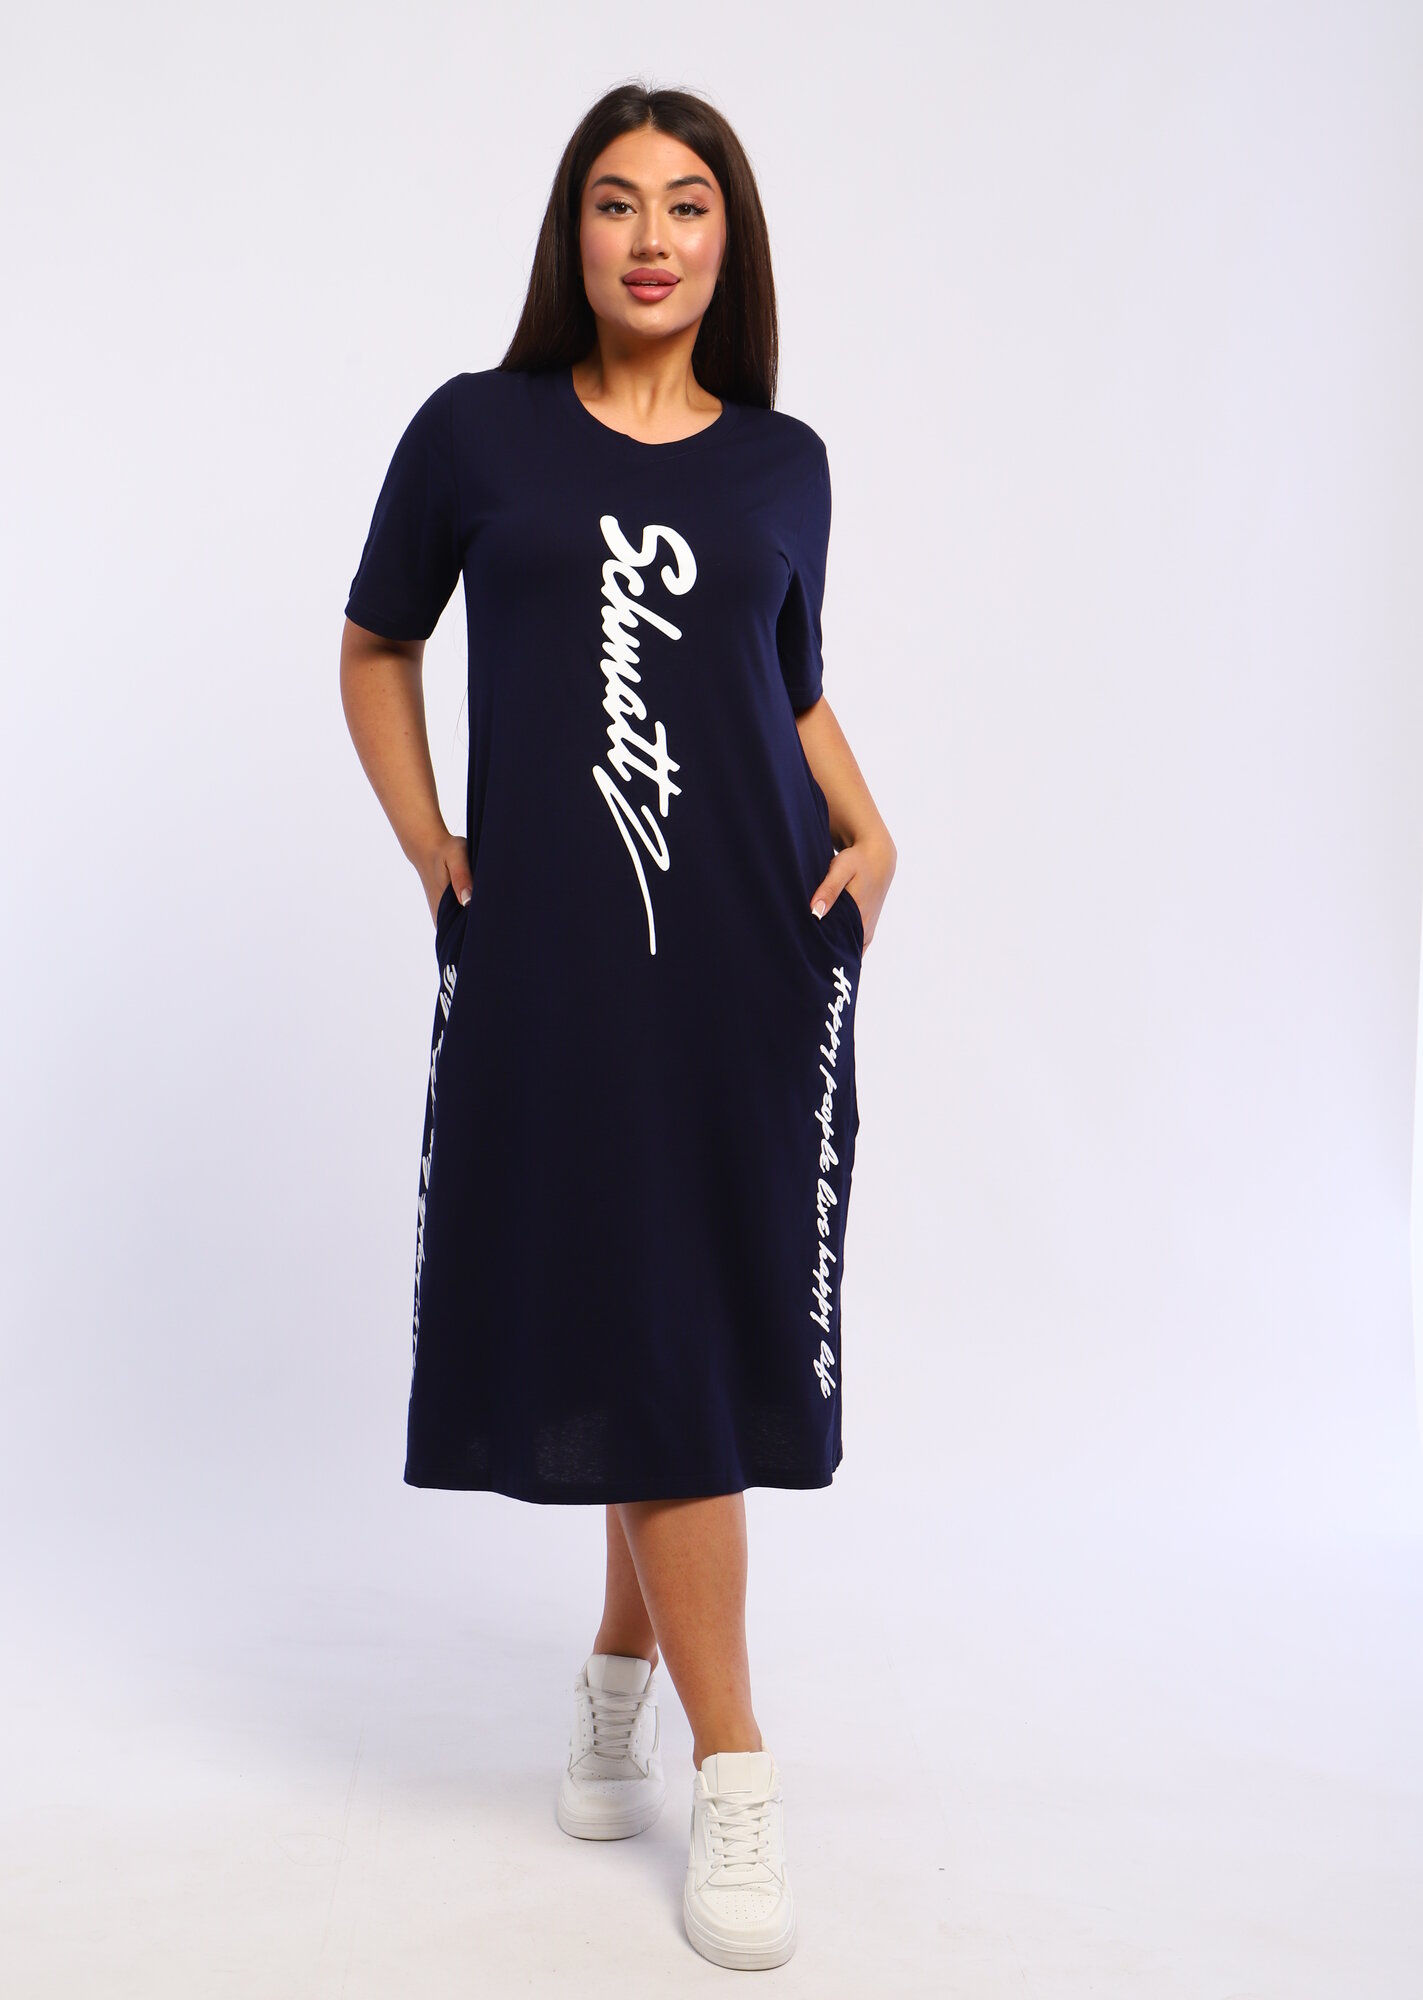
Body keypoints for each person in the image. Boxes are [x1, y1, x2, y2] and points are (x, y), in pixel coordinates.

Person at [339, 80, 897, 1972]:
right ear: (570, 234)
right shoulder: (476, 433)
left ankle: (640, 1707)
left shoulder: (784, 462)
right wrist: (435, 848)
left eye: (687, 205)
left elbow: (786, 682)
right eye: (615, 201)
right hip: (554, 969)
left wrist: (872, 832)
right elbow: (378, 643)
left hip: (747, 963)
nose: (651, 237)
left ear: (730, 243)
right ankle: (712, 1748)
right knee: (628, 1318)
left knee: (681, 1327)